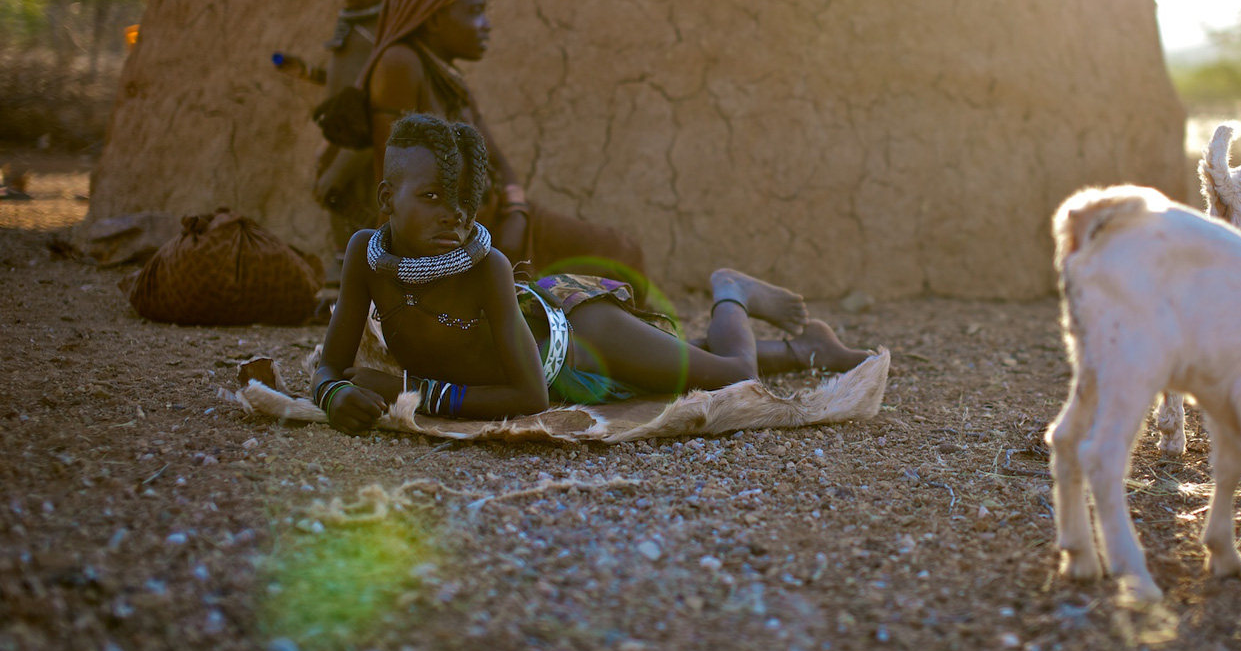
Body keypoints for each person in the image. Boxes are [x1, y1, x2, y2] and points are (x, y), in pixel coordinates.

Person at [313, 115, 870, 433]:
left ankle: (732, 291)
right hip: (565, 366)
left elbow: (529, 395)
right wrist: (334, 393)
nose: (453, 214)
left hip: (582, 339)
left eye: (464, 200)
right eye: (431, 196)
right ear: (387, 198)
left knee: (729, 375)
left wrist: (411, 391)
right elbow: (331, 367)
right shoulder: (366, 256)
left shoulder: (488, 267)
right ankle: (807, 349)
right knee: (675, 357)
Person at [360, 0, 646, 279]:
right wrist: (393, 277)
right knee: (607, 266)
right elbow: (393, 186)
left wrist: (517, 211)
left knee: (622, 253)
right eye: (476, 12)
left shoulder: (449, 75)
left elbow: (495, 156)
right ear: (433, 20)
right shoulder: (400, 65)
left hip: (504, 220)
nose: (486, 25)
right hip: (459, 236)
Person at [311, 0, 398, 260]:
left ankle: (367, 266)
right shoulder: (348, 27)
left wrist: (340, 164)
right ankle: (343, 261)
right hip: (342, 135)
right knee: (335, 196)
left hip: (366, 142)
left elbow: (378, 104)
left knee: (363, 197)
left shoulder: (381, 33)